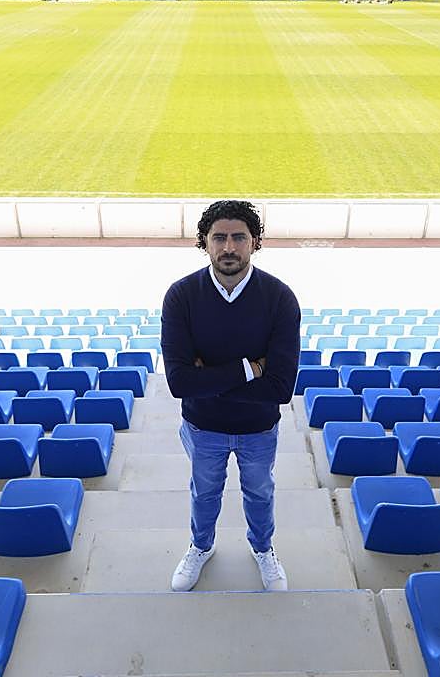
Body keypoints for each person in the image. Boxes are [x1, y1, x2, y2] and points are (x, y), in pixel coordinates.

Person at [161, 200, 301, 592]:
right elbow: (179, 383)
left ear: (254, 243)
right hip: (203, 427)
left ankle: (262, 549)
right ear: (204, 243)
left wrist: (208, 375)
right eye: (218, 237)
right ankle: (200, 546)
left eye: (238, 237)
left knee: (259, 493)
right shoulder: (181, 297)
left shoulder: (279, 298)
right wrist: (250, 368)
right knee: (204, 493)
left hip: (259, 428)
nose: (228, 247)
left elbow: (280, 388)